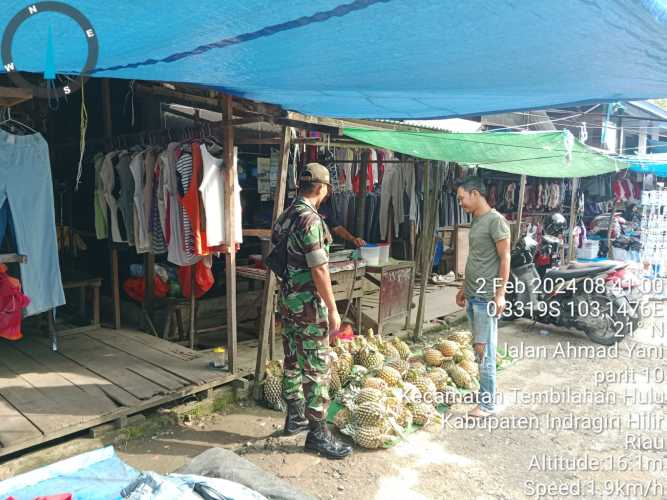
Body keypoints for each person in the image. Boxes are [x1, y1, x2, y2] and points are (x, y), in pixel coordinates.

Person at [271, 162, 352, 459]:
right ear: (322, 188)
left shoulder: (285, 216)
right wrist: (332, 310)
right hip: (307, 306)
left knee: (292, 359)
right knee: (316, 367)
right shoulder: (311, 220)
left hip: (288, 301)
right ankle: (318, 435)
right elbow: (319, 268)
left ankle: (295, 417)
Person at [455, 176, 511, 419]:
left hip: (486, 297)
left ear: (475, 194)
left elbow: (505, 258)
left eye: (461, 198)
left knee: (484, 350)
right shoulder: (477, 219)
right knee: (480, 349)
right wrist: (463, 288)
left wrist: (500, 294)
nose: (460, 203)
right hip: (474, 294)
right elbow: (476, 258)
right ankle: (485, 394)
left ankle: (487, 404)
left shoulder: (496, 221)